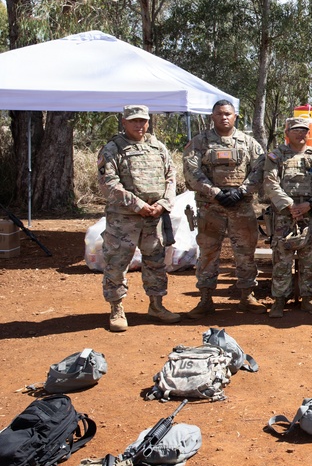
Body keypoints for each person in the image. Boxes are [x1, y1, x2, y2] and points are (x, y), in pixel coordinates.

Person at [97, 104, 181, 332]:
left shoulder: (158, 147)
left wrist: (163, 204)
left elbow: (171, 177)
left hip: (154, 218)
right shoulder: (112, 149)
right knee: (117, 262)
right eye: (133, 121)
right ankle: (116, 309)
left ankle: (156, 306)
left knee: (155, 262)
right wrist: (139, 205)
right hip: (124, 220)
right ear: (124, 122)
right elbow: (109, 184)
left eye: (143, 120)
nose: (139, 125)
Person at [183, 100, 267, 317]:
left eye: (228, 114)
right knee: (208, 253)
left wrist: (242, 191)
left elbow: (259, 170)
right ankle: (205, 299)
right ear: (212, 116)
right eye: (219, 114)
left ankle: (247, 296)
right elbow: (192, 172)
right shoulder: (199, 142)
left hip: (242, 207)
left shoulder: (249, 143)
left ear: (235, 116)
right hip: (211, 208)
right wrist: (216, 193)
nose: (224, 117)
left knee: (245, 253)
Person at [262, 117, 312, 318]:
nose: (300, 134)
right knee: (282, 260)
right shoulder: (276, 156)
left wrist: (310, 205)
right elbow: (270, 183)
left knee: (310, 260)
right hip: (285, 214)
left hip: (309, 213)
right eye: (295, 130)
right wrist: (290, 205)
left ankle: (308, 299)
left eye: (304, 130)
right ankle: (279, 300)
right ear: (287, 133)